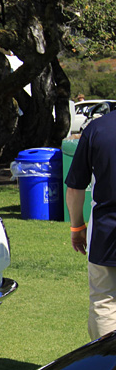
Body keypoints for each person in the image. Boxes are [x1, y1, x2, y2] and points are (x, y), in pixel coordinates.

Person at [66, 109, 116, 339]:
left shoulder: (98, 128)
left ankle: (106, 369)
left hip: (106, 231)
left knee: (104, 302)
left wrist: (77, 227)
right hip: (105, 231)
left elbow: (75, 188)